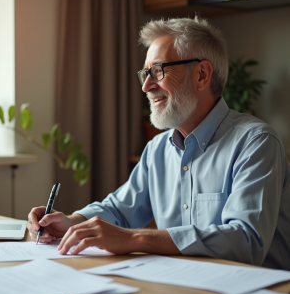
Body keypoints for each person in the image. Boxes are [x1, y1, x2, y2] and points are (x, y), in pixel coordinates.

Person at [28, 16, 290, 270]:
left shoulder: (256, 143)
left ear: (201, 75)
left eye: (158, 71)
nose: (146, 86)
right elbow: (119, 209)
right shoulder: (158, 149)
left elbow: (246, 242)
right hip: (187, 288)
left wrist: (134, 239)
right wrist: (71, 222)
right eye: (145, 73)